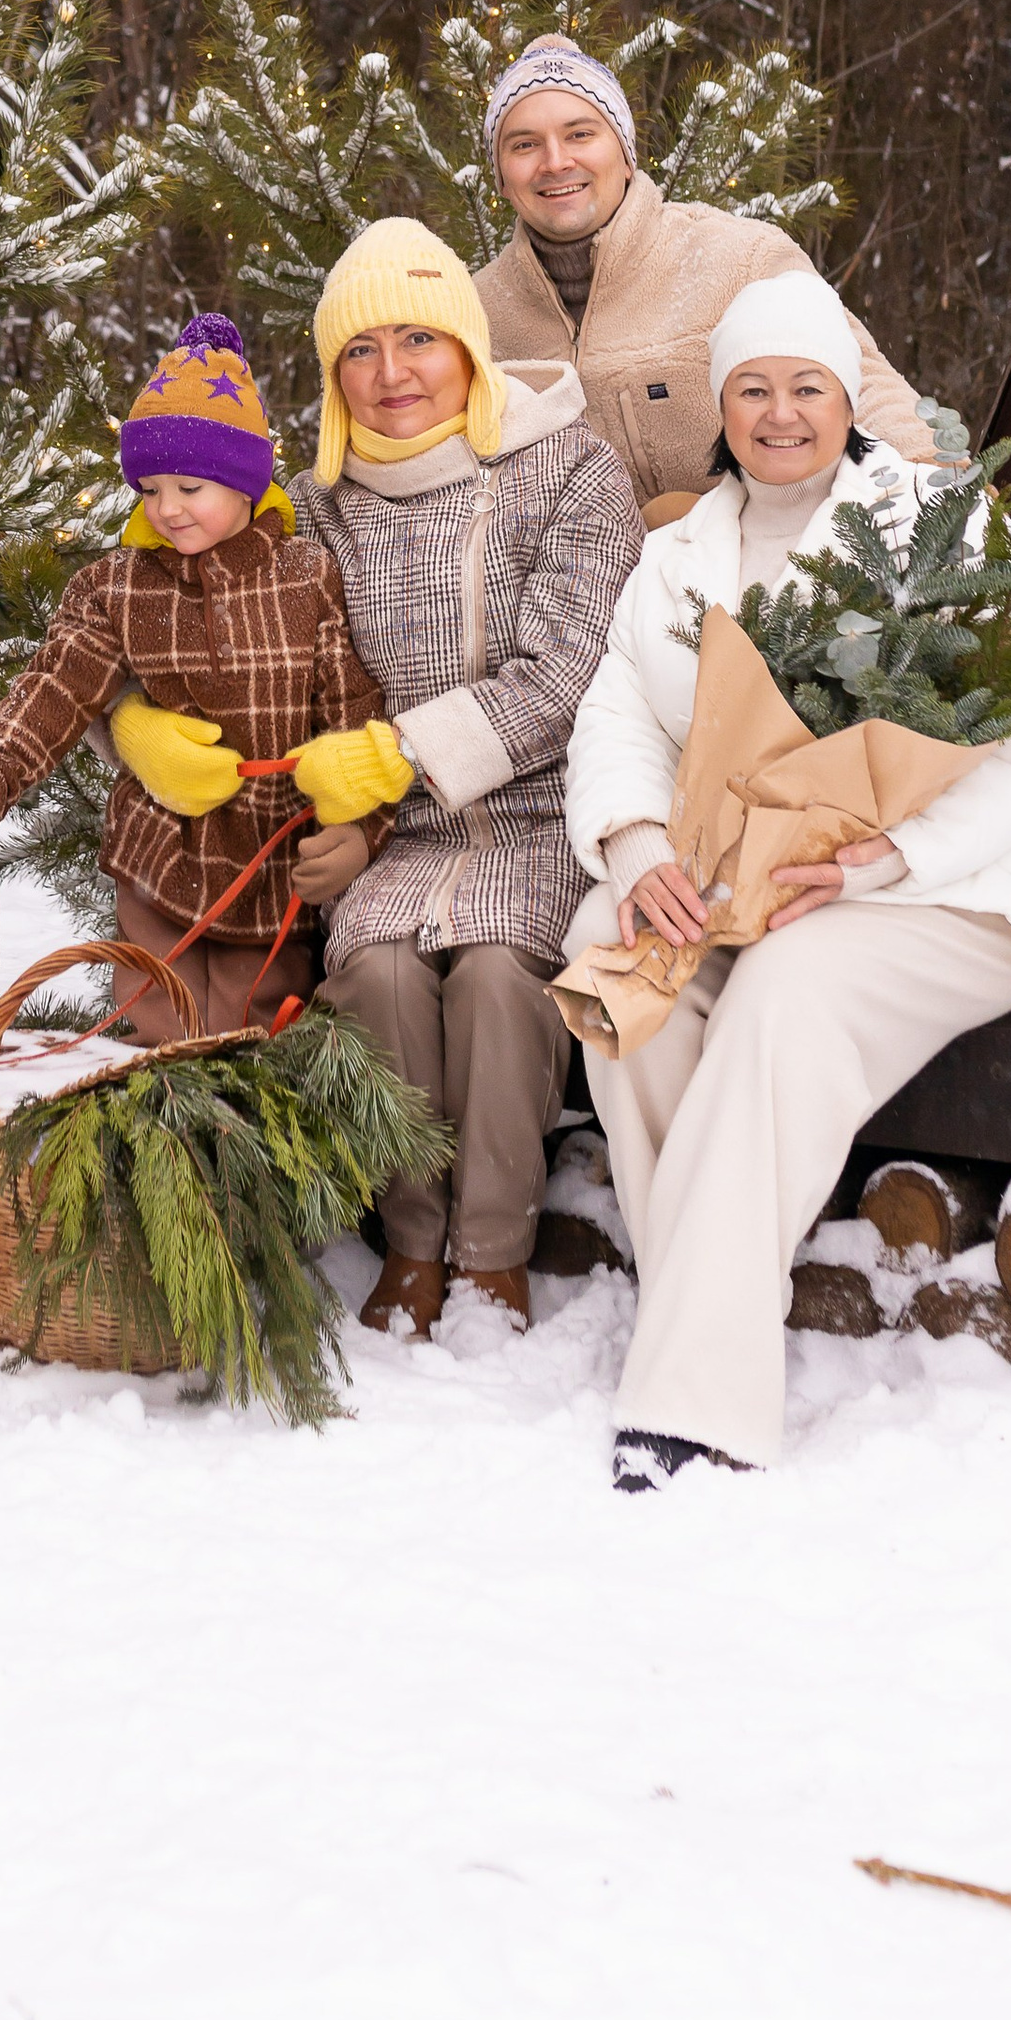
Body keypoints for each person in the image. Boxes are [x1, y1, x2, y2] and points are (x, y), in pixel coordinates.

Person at [562, 273, 1011, 1485]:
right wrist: (640, 851)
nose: (780, 411)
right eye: (752, 388)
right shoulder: (675, 554)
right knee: (614, 944)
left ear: (846, 400)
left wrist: (886, 858)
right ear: (722, 406)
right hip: (747, 870)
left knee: (784, 990)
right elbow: (616, 717)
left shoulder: (937, 524)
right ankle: (699, 1310)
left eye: (806, 386)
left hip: (957, 882)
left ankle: (696, 1403)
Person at [107, 225, 642, 1333]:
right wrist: (134, 725)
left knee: (499, 977)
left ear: (470, 349)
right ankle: (409, 1239)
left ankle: (493, 1246)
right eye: (359, 352)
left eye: (418, 340)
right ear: (330, 376)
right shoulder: (311, 504)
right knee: (385, 977)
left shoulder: (570, 469)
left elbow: (569, 669)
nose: (391, 374)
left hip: (538, 814)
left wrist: (400, 752)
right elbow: (155, 612)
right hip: (383, 834)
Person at [0, 314, 397, 1044]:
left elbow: (352, 713)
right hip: (158, 853)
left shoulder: (307, 578)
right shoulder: (119, 587)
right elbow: (56, 687)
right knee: (154, 1017)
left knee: (251, 1021)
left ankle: (239, 1141)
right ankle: (148, 1134)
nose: (167, 509)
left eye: (190, 487)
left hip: (271, 856)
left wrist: (360, 827)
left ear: (245, 484)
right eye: (150, 489)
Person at [473, 35, 934, 516]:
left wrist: (939, 492)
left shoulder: (736, 258)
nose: (556, 162)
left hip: (762, 567)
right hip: (576, 585)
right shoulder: (475, 314)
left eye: (580, 135)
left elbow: (861, 385)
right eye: (525, 144)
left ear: (626, 155)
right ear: (502, 177)